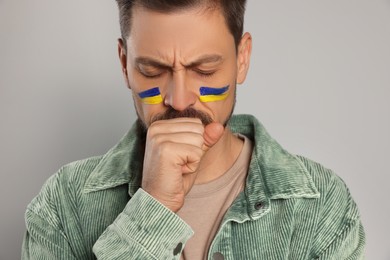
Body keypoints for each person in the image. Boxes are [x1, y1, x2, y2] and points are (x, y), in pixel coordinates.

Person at [22, 0, 365, 259]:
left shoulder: (322, 206)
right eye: (153, 70)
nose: (179, 99)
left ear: (241, 58)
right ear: (125, 63)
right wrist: (153, 209)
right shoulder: (62, 206)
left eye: (204, 69)